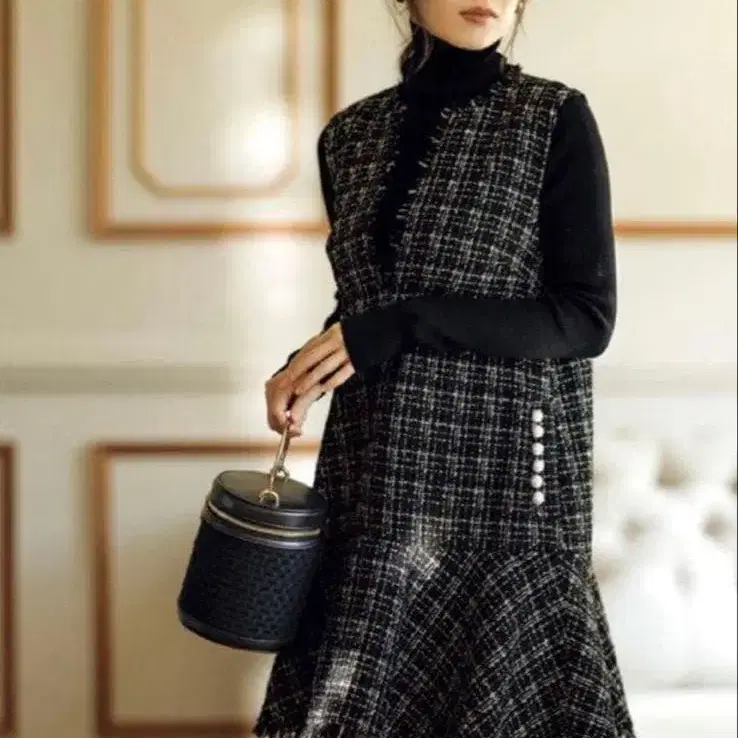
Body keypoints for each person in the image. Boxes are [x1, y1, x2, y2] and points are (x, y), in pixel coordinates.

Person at [258, 1, 636, 736]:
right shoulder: (350, 136)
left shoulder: (552, 118)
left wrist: (399, 323)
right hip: (375, 475)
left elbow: (586, 318)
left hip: (506, 485)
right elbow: (365, 301)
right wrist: (306, 367)